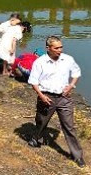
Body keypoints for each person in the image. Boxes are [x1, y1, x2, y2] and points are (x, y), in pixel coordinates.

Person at [26, 36, 85, 167]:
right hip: (47, 97)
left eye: (61, 47)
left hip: (64, 98)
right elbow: (33, 82)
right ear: (48, 48)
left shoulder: (67, 59)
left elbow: (76, 73)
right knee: (41, 121)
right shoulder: (40, 62)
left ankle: (77, 156)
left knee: (69, 126)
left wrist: (71, 85)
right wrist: (41, 96)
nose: (60, 50)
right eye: (56, 48)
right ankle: (37, 139)